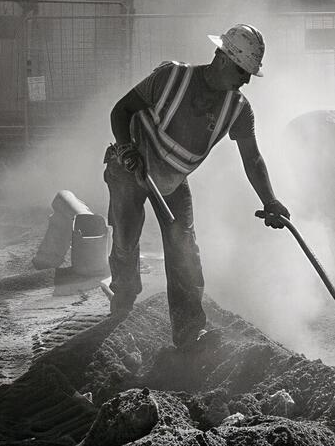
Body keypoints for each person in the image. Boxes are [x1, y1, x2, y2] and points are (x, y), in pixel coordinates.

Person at [103, 23, 290, 349]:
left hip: (173, 180)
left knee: (184, 249)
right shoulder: (170, 78)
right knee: (125, 236)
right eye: (242, 70)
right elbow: (121, 110)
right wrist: (126, 148)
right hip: (129, 169)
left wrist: (271, 200)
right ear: (221, 58)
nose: (246, 80)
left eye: (249, 73)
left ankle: (189, 330)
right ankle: (123, 296)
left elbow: (253, 158)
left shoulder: (239, 109)